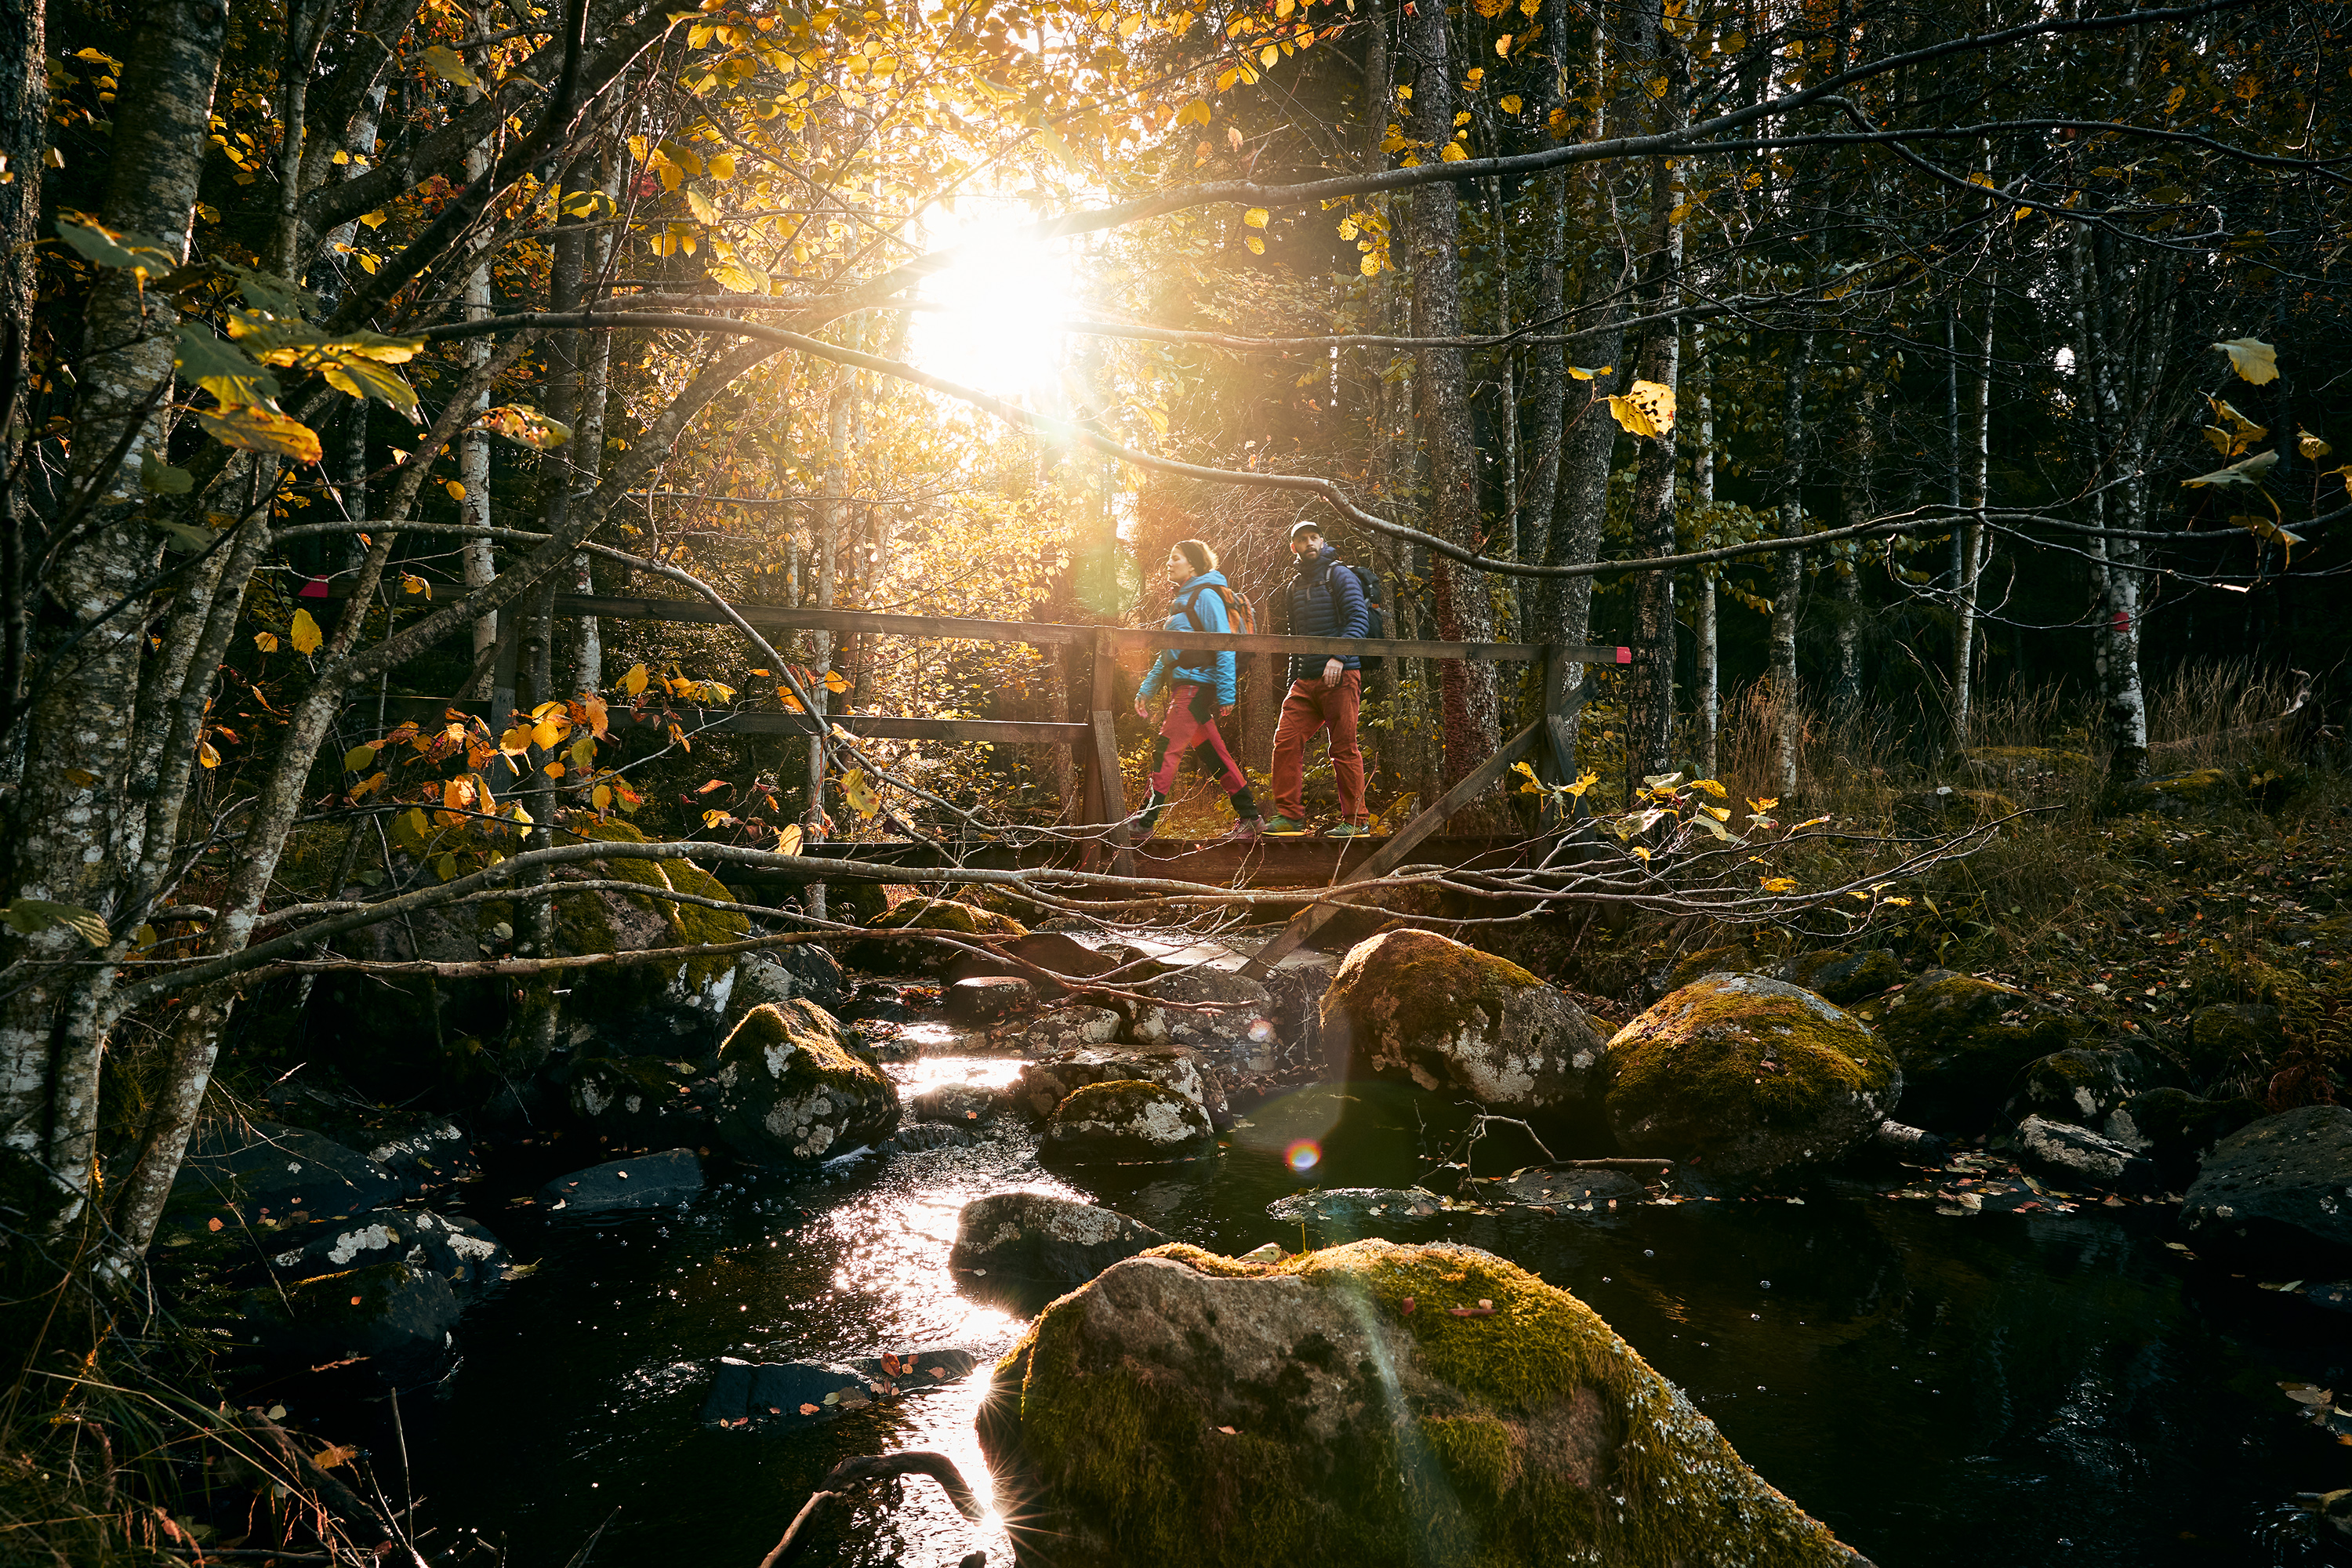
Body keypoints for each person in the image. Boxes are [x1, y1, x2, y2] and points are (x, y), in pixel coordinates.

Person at [1132, 539, 1264, 840]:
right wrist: (1147, 690)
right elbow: (1169, 655)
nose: (1169, 563)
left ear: (1192, 563)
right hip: (1187, 685)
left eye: (1175, 558)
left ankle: (1145, 821)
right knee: (1214, 753)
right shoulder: (1183, 601)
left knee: (1166, 749)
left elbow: (1224, 645)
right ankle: (1251, 818)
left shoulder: (1205, 594)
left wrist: (1227, 693)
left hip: (1196, 687)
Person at [1264, 521, 1369, 837]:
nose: (1309, 543)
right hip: (1306, 680)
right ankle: (1291, 817)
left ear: (1322, 541)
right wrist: (1295, 677)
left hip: (1342, 675)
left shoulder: (1340, 575)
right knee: (1285, 741)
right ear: (1293, 547)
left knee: (1343, 748)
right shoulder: (1293, 587)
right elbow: (1295, 637)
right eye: (1302, 539)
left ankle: (1356, 822)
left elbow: (1358, 619)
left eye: (1314, 537)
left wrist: (1338, 657)